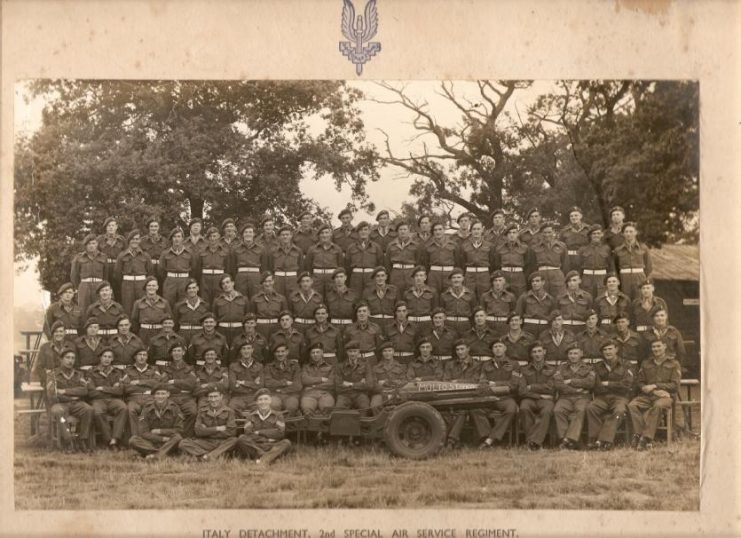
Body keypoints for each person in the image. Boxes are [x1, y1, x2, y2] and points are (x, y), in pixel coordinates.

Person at [628, 340, 681, 450]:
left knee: (658, 406)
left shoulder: (673, 363)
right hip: (648, 396)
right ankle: (639, 434)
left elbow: (675, 385)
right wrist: (652, 391)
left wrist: (655, 385)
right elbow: (640, 382)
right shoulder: (646, 363)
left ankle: (646, 438)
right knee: (632, 405)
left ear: (665, 346)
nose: (656, 349)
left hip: (666, 396)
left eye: (658, 346)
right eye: (653, 347)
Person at [585, 340, 634, 450]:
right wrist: (615, 385)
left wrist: (608, 384)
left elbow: (627, 384)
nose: (608, 352)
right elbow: (596, 385)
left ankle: (604, 440)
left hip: (620, 397)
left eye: (610, 349)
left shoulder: (626, 364)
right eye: (605, 350)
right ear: (602, 352)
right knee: (591, 408)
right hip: (602, 397)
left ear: (616, 349)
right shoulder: (597, 366)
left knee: (619, 411)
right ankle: (594, 439)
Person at [46, 349, 95, 453]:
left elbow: (84, 390)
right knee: (58, 412)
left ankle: (82, 439)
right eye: (67, 357)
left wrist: (65, 391)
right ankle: (68, 441)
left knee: (89, 409)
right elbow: (52, 394)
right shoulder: (53, 374)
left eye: (73, 358)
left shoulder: (79, 374)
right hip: (59, 404)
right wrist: (71, 397)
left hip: (77, 404)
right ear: (61, 359)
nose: (70, 361)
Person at [476, 339, 521, 448]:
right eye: (495, 347)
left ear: (505, 348)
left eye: (500, 346)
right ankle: (486, 436)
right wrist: (501, 387)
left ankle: (491, 439)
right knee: (475, 409)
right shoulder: (486, 364)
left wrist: (495, 384)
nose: (498, 349)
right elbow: (482, 384)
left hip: (506, 398)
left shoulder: (514, 364)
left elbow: (514, 385)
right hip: (489, 397)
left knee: (511, 409)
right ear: (492, 350)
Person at [178, 385, 238, 461]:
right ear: (208, 398)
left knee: (234, 440)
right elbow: (198, 431)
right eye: (211, 397)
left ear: (221, 397)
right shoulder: (202, 411)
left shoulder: (229, 411)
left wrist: (206, 430)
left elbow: (231, 432)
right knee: (183, 443)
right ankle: (211, 455)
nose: (213, 400)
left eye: (215, 396)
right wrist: (218, 428)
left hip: (222, 442)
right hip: (205, 442)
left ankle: (206, 456)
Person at [553, 344, 596, 449]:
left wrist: (571, 381)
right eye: (570, 353)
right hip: (565, 397)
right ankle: (565, 439)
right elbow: (558, 384)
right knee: (557, 410)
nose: (573, 356)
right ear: (567, 355)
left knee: (580, 410)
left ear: (581, 354)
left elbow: (590, 383)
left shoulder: (589, 367)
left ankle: (569, 439)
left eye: (575, 353)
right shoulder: (561, 367)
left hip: (583, 397)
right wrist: (576, 389)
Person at [442, 339, 483, 449]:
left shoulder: (477, 365)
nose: (459, 352)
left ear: (468, 349)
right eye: (457, 350)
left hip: (471, 396)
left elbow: (476, 381)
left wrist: (458, 382)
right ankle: (453, 440)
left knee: (465, 410)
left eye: (462, 349)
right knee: (454, 411)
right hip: (453, 395)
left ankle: (451, 441)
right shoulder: (450, 364)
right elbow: (446, 381)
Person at [86, 347, 128, 451]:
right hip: (98, 400)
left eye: (109, 357)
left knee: (123, 408)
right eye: (104, 356)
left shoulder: (118, 372)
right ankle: (108, 439)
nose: (107, 359)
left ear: (112, 359)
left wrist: (102, 388)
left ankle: (115, 439)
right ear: (100, 358)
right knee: (98, 412)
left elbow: (120, 391)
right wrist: (112, 388)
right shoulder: (91, 372)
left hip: (114, 400)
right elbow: (91, 392)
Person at [235, 388, 292, 465]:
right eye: (260, 400)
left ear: (270, 400)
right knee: (241, 438)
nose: (263, 402)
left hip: (272, 445)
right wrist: (267, 438)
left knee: (286, 443)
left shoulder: (278, 415)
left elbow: (280, 433)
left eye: (266, 399)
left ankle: (260, 460)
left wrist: (258, 432)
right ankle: (268, 457)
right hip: (255, 445)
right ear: (257, 402)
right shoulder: (250, 416)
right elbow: (248, 433)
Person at [128, 383, 185, 459]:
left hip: (169, 442)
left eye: (163, 394)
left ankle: (152, 455)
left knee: (178, 438)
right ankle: (161, 454)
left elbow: (179, 429)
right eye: (157, 394)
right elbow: (143, 432)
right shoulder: (147, 408)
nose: (160, 396)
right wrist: (162, 439)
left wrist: (160, 431)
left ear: (168, 394)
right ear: (154, 395)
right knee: (133, 440)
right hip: (151, 442)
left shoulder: (175, 408)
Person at [518, 343, 556, 450]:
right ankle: (534, 442)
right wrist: (540, 395)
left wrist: (531, 387)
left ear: (544, 352)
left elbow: (551, 387)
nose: (537, 354)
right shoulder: (524, 369)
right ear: (531, 354)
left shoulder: (552, 369)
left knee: (547, 411)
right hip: (531, 398)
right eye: (534, 352)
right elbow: (522, 391)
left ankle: (533, 442)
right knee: (524, 408)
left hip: (546, 400)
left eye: (539, 351)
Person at [158, 343, 198, 437]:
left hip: (187, 398)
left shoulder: (189, 368)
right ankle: (171, 437)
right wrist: (181, 386)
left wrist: (174, 381)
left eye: (179, 351)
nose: (176, 353)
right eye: (174, 351)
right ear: (171, 353)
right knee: (168, 412)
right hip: (171, 397)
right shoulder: (167, 369)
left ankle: (185, 437)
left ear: (183, 353)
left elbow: (191, 384)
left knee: (193, 412)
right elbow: (164, 385)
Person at [122, 347, 163, 436]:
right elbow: (127, 387)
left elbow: (157, 384)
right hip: (133, 398)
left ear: (147, 357)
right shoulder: (127, 370)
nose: (142, 357)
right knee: (130, 410)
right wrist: (148, 385)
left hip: (149, 397)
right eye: (139, 355)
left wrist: (139, 382)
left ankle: (152, 437)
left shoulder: (154, 369)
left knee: (153, 410)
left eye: (144, 355)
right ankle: (136, 438)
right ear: (135, 357)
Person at [114, 229, 153, 314]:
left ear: (139, 241)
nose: (135, 241)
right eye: (132, 239)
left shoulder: (145, 255)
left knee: (142, 307)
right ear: (129, 241)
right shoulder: (122, 255)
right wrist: (125, 282)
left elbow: (150, 272)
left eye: (137, 239)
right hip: (127, 284)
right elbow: (117, 274)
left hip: (141, 284)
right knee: (127, 308)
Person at [230, 221, 271, 299]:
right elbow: (232, 267)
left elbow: (264, 267)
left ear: (254, 234)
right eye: (246, 232)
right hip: (240, 277)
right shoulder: (235, 249)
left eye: (250, 232)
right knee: (241, 298)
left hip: (256, 278)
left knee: (256, 298)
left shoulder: (261, 249)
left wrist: (261, 280)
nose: (248, 234)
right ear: (242, 234)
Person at [614, 222, 653, 301]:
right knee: (625, 301)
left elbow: (649, 267)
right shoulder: (618, 250)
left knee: (640, 300)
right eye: (626, 232)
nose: (628, 234)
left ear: (635, 232)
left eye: (631, 231)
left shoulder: (643, 248)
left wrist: (645, 280)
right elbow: (615, 267)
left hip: (639, 278)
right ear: (623, 234)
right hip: (624, 279)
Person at [71, 234, 109, 314]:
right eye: (89, 244)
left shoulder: (103, 257)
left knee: (99, 309)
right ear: (85, 245)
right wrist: (79, 287)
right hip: (84, 286)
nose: (91, 246)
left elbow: (106, 275)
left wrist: (102, 287)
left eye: (93, 243)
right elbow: (74, 275)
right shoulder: (79, 258)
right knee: (83, 310)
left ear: (97, 244)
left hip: (99, 286)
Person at [304, 222, 344, 298]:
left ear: (330, 234)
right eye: (322, 233)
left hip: (332, 278)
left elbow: (340, 266)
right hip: (317, 279)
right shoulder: (312, 249)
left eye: (326, 232)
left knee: (332, 298)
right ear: (319, 235)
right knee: (316, 298)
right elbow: (308, 266)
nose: (324, 235)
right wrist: (312, 278)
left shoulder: (337, 249)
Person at [335, 341, 375, 415]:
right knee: (338, 411)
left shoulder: (366, 365)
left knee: (365, 408)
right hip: (344, 395)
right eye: (350, 351)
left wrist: (350, 384)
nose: (353, 354)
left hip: (360, 395)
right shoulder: (340, 366)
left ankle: (363, 426)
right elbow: (338, 387)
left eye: (355, 351)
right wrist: (360, 383)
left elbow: (369, 385)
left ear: (359, 352)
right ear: (347, 352)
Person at [494, 223, 534, 298]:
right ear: (506, 235)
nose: (512, 235)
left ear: (518, 234)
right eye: (509, 233)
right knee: (503, 298)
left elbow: (528, 264)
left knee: (520, 298)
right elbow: (497, 264)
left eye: (514, 232)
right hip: (504, 276)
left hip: (519, 278)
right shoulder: (499, 248)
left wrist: (523, 277)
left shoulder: (524, 248)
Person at [159, 227, 195, 309]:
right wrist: (169, 278)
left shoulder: (189, 253)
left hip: (184, 281)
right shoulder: (165, 253)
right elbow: (161, 270)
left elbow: (194, 268)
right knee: (169, 304)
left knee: (184, 304)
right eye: (174, 237)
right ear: (171, 238)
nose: (176, 239)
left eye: (179, 236)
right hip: (170, 281)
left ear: (182, 238)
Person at [193, 226, 230, 306]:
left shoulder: (225, 251)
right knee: (205, 302)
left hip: (219, 280)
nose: (213, 239)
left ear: (219, 237)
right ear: (208, 238)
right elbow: (197, 270)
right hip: (205, 280)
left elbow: (228, 269)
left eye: (215, 236)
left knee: (219, 301)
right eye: (210, 236)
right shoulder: (201, 251)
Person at [131, 276, 173, 345]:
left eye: (153, 285)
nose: (151, 287)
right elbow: (134, 320)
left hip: (159, 332)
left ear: (157, 287)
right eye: (149, 285)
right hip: (144, 333)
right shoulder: (138, 303)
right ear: (145, 287)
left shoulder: (164, 302)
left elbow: (170, 318)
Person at [531, 222, 568, 298]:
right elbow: (532, 265)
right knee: (542, 297)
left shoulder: (562, 246)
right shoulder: (535, 247)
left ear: (554, 232)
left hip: (557, 276)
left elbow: (566, 264)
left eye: (549, 232)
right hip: (541, 275)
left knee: (559, 297)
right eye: (544, 232)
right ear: (541, 234)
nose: (547, 235)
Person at [346, 221, 384, 295]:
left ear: (369, 231)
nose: (363, 232)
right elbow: (347, 265)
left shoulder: (376, 247)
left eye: (365, 229)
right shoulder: (351, 247)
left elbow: (380, 263)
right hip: (356, 278)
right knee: (355, 298)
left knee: (371, 297)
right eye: (361, 230)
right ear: (357, 232)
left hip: (371, 277)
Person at [576, 225, 614, 298]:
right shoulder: (583, 249)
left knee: (602, 298)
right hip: (587, 278)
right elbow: (578, 266)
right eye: (594, 233)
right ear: (590, 235)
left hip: (602, 278)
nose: (596, 235)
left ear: (602, 235)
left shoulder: (606, 248)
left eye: (598, 233)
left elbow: (611, 266)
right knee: (586, 298)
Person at [263, 343, 302, 415]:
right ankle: (276, 424)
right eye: (277, 352)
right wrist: (285, 383)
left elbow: (298, 385)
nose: (280, 354)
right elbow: (268, 383)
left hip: (291, 395)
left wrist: (281, 390)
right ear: (274, 353)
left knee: (292, 406)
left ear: (287, 352)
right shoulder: (269, 367)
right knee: (274, 405)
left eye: (282, 351)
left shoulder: (295, 365)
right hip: (274, 394)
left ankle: (289, 425)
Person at [460, 220, 496, 299]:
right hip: (469, 275)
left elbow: (493, 262)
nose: (476, 231)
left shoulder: (489, 246)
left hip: (484, 275)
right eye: (474, 229)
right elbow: (462, 262)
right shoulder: (464, 246)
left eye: (478, 229)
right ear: (471, 231)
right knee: (469, 296)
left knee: (485, 296)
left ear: (482, 230)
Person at [422, 221, 460, 294]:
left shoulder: (453, 245)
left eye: (440, 229)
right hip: (434, 275)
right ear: (433, 232)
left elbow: (458, 262)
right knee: (433, 295)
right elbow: (425, 264)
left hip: (449, 274)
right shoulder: (428, 246)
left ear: (444, 230)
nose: (438, 232)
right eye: (435, 230)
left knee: (449, 295)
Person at [212, 274, 250, 347]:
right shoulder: (217, 300)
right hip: (222, 331)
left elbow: (247, 317)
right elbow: (214, 318)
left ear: (233, 283)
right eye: (223, 284)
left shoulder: (243, 299)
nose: (225, 285)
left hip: (239, 331)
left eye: (227, 282)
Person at [300, 342, 336, 415]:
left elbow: (331, 382)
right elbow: (304, 380)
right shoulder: (305, 367)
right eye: (313, 353)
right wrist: (321, 379)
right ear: (310, 355)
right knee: (307, 409)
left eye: (318, 352)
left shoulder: (330, 367)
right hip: (309, 394)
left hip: (325, 394)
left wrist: (314, 386)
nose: (315, 354)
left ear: (322, 353)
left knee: (327, 409)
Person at [228, 342, 265, 414]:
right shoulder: (233, 366)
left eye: (248, 348)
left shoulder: (259, 366)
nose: (246, 351)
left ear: (252, 350)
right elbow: (233, 386)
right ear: (240, 351)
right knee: (232, 407)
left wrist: (243, 382)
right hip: (238, 397)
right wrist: (253, 384)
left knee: (262, 408)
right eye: (243, 349)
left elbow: (261, 385)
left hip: (254, 396)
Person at [385, 221, 420, 295]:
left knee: (411, 294)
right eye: (400, 229)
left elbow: (418, 261)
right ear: (397, 231)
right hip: (396, 273)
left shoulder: (415, 245)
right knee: (395, 294)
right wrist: (392, 274)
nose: (403, 231)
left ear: (409, 231)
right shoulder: (391, 245)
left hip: (410, 273)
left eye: (405, 229)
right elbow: (387, 263)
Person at [370, 341, 409, 408]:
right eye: (385, 351)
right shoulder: (375, 368)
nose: (387, 353)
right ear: (382, 353)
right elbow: (373, 385)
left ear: (393, 352)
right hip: (381, 393)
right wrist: (384, 391)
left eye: (389, 351)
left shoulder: (401, 367)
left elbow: (405, 382)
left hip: (397, 392)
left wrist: (386, 382)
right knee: (374, 406)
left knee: (405, 406)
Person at [515, 271, 556, 336]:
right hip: (528, 328)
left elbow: (553, 317)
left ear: (543, 282)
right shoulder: (524, 297)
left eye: (537, 281)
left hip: (544, 329)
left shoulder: (550, 299)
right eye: (532, 281)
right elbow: (518, 315)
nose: (534, 283)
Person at [96, 216, 127, 300]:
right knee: (104, 289)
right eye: (109, 225)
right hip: (105, 267)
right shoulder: (99, 240)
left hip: (118, 267)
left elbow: (126, 255)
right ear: (106, 227)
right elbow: (96, 255)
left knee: (118, 290)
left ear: (116, 227)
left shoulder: (122, 240)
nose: (111, 227)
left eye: (113, 225)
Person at [251, 272, 288, 340]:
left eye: (270, 281)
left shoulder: (281, 298)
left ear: (273, 281)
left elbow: (284, 315)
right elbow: (252, 316)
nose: (268, 284)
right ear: (262, 283)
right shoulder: (255, 298)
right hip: (261, 328)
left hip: (276, 327)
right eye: (265, 281)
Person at [440, 268, 476, 336]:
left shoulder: (471, 294)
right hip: (449, 324)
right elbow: (441, 312)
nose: (456, 280)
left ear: (463, 278)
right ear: (451, 280)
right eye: (454, 278)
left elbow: (473, 312)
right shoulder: (444, 295)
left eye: (459, 277)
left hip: (465, 325)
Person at [403, 266, 437, 335]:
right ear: (413, 278)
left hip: (426, 323)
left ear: (425, 277)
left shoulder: (432, 292)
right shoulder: (407, 293)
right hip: (411, 323)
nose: (419, 278)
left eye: (421, 275)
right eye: (416, 276)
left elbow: (435, 309)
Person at [173, 278, 209, 344]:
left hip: (199, 334)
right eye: (189, 288)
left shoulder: (205, 305)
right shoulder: (179, 306)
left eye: (194, 288)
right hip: (183, 334)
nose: (192, 290)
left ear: (198, 288)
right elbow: (175, 324)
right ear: (186, 290)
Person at [480, 270, 516, 336]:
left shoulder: (511, 296)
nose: (497, 283)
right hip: (489, 324)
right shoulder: (485, 296)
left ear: (504, 282)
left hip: (504, 325)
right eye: (495, 280)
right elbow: (483, 311)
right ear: (492, 282)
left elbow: (512, 311)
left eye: (500, 280)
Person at [363, 266, 398, 333]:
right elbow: (365, 308)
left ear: (386, 277)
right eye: (378, 276)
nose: (380, 278)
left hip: (390, 322)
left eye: (382, 276)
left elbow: (398, 307)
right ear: (374, 278)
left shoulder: (393, 290)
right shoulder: (367, 292)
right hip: (374, 322)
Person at [272, 226, 304, 298]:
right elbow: (270, 266)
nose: (285, 237)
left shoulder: (298, 251)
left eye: (287, 234)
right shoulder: (273, 251)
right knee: (278, 299)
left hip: (293, 280)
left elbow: (301, 268)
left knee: (293, 299)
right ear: (279, 237)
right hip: (278, 280)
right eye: (283, 235)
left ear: (291, 236)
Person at [325, 268, 357, 333]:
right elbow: (326, 312)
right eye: (336, 277)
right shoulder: (329, 295)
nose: (339, 279)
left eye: (341, 276)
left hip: (349, 326)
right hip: (333, 326)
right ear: (334, 279)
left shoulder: (353, 294)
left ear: (345, 277)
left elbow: (356, 313)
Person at [139, 218, 169, 286]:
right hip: (148, 269)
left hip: (161, 268)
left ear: (158, 227)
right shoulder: (142, 241)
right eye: (151, 226)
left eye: (155, 226)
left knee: (161, 288)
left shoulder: (165, 241)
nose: (153, 228)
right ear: (148, 228)